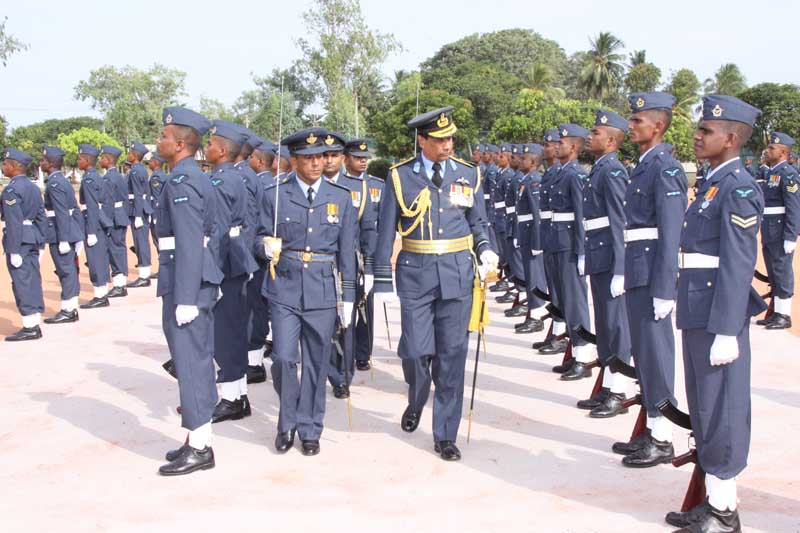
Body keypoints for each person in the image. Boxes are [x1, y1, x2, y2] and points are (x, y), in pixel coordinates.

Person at [373, 106, 499, 461]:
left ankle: (445, 434)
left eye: (451, 139)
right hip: (416, 272)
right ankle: (417, 396)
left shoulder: (467, 174)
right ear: (422, 140)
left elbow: (478, 222)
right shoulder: (400, 177)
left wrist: (486, 250)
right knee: (415, 350)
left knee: (452, 355)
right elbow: (386, 230)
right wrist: (380, 279)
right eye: (440, 140)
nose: (448, 145)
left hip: (458, 273)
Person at [666, 95, 766, 533]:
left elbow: (738, 264)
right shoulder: (712, 185)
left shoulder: (738, 188)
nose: (697, 135)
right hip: (697, 308)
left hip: (716, 316)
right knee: (704, 406)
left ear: (730, 139)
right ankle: (712, 500)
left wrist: (727, 329)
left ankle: (725, 510)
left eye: (706, 130)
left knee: (722, 408)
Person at [257, 127, 357, 456]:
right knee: (284, 358)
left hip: (322, 289)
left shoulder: (340, 197)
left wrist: (348, 296)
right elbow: (257, 235)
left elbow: (346, 251)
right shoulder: (275, 194)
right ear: (294, 160)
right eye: (308, 158)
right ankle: (287, 421)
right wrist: (263, 246)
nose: (316, 163)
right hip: (284, 286)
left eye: (321, 157)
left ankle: (310, 427)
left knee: (316, 362)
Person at [614, 92, 687, 467]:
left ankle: (663, 437)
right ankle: (651, 427)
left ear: (657, 126)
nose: (631, 126)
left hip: (652, 274)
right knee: (643, 353)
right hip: (637, 268)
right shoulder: (643, 165)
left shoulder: (666, 168)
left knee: (656, 355)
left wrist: (664, 288)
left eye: (637, 120)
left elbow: (671, 234)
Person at [154, 106, 223, 475]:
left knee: (191, 363)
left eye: (164, 136)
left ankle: (200, 447)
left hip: (186, 282)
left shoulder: (183, 181)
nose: (159, 140)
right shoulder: (192, 177)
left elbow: (190, 242)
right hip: (192, 279)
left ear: (180, 144)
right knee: (195, 360)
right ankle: (198, 436)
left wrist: (185, 297)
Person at [578, 110, 633, 416]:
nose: (590, 136)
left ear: (611, 141)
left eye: (596, 132)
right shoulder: (599, 169)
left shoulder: (612, 171)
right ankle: (608, 384)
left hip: (611, 260)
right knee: (605, 326)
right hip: (599, 256)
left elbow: (619, 222)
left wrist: (621, 269)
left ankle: (619, 391)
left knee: (616, 327)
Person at [205, 121, 259, 423]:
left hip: (225, 263)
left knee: (225, 333)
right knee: (234, 330)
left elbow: (218, 232)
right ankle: (237, 395)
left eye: (210, 144)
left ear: (222, 150)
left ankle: (231, 399)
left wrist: (211, 273)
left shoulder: (222, 181)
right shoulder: (232, 177)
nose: (206, 148)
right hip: (235, 260)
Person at [322, 132, 378, 397]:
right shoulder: (308, 184)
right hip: (317, 264)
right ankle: (323, 369)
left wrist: (370, 268)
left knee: (346, 321)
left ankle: (342, 376)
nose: (328, 160)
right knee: (321, 322)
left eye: (333, 155)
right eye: (324, 155)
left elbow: (368, 231)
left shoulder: (357, 188)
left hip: (348, 264)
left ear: (341, 158)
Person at [547, 124, 594, 380]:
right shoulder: (560, 173)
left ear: (573, 147)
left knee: (575, 303)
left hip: (569, 247)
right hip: (557, 242)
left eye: (561, 143)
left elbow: (580, 216)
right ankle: (575, 352)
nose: (556, 146)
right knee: (565, 301)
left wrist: (582, 251)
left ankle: (583, 358)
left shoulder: (575, 175)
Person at [344, 138, 384, 372]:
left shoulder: (377, 185)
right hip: (347, 254)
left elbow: (384, 223)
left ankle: (363, 352)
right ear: (346, 159)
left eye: (365, 158)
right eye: (357, 158)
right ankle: (345, 353)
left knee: (366, 306)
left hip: (368, 254)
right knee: (346, 307)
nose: (363, 162)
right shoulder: (341, 185)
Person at [755, 131, 800, 329]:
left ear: (783, 152)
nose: (767, 150)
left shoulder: (788, 174)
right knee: (773, 272)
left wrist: (791, 236)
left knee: (782, 272)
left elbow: (794, 207)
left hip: (781, 231)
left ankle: (784, 315)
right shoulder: (772, 173)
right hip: (770, 230)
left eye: (772, 148)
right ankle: (775, 313)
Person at [1, 148, 46, 341]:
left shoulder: (11, 190)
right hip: (32, 237)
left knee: (21, 282)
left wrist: (13, 250)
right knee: (32, 279)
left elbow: (13, 222)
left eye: (5, 164)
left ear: (13, 166)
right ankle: (34, 322)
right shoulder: (33, 187)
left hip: (19, 240)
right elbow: (41, 216)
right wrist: (41, 242)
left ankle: (29, 327)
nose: (3, 167)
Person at [40, 146, 84, 324]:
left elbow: (61, 212)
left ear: (50, 163)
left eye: (43, 160)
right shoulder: (59, 180)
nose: (41, 163)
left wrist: (64, 239)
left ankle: (68, 310)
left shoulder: (55, 183)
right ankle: (70, 308)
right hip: (65, 229)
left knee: (65, 271)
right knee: (68, 270)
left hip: (60, 231)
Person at [535, 129, 568, 353]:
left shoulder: (563, 173)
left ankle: (567, 339)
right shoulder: (551, 172)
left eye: (549, 145)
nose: (545, 149)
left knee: (566, 295)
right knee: (555, 291)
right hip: (551, 235)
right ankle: (557, 332)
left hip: (562, 238)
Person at [514, 143, 548, 333]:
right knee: (529, 274)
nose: (521, 160)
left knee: (535, 277)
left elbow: (537, 214)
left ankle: (537, 317)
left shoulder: (534, 181)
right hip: (525, 233)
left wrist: (537, 241)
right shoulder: (526, 179)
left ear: (534, 162)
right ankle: (532, 313)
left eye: (524, 158)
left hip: (531, 235)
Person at [77, 144, 113, 309]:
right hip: (98, 220)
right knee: (100, 258)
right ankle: (102, 293)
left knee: (95, 259)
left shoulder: (89, 179)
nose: (78, 162)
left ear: (86, 160)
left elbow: (92, 206)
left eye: (80, 159)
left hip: (93, 222)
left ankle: (100, 295)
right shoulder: (95, 177)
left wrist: (91, 231)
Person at [99, 145, 130, 297]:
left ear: (108, 159)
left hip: (114, 218)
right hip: (120, 215)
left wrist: (106, 221)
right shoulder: (117, 176)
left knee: (115, 250)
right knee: (119, 249)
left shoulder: (109, 178)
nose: (100, 160)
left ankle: (119, 285)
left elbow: (108, 202)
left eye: (102, 158)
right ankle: (120, 283)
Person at [126, 141, 154, 287]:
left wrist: (137, 215)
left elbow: (138, 194)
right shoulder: (139, 169)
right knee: (141, 241)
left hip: (138, 209)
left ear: (135, 155)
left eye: (130, 153)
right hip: (141, 208)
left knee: (141, 242)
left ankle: (144, 276)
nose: (128, 155)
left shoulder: (136, 171)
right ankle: (144, 273)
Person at [147, 153, 168, 273]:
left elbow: (157, 198)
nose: (149, 163)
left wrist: (155, 215)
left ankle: (163, 267)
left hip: (157, 213)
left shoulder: (156, 177)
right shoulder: (162, 175)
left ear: (156, 162)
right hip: (161, 212)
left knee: (158, 240)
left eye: (150, 161)